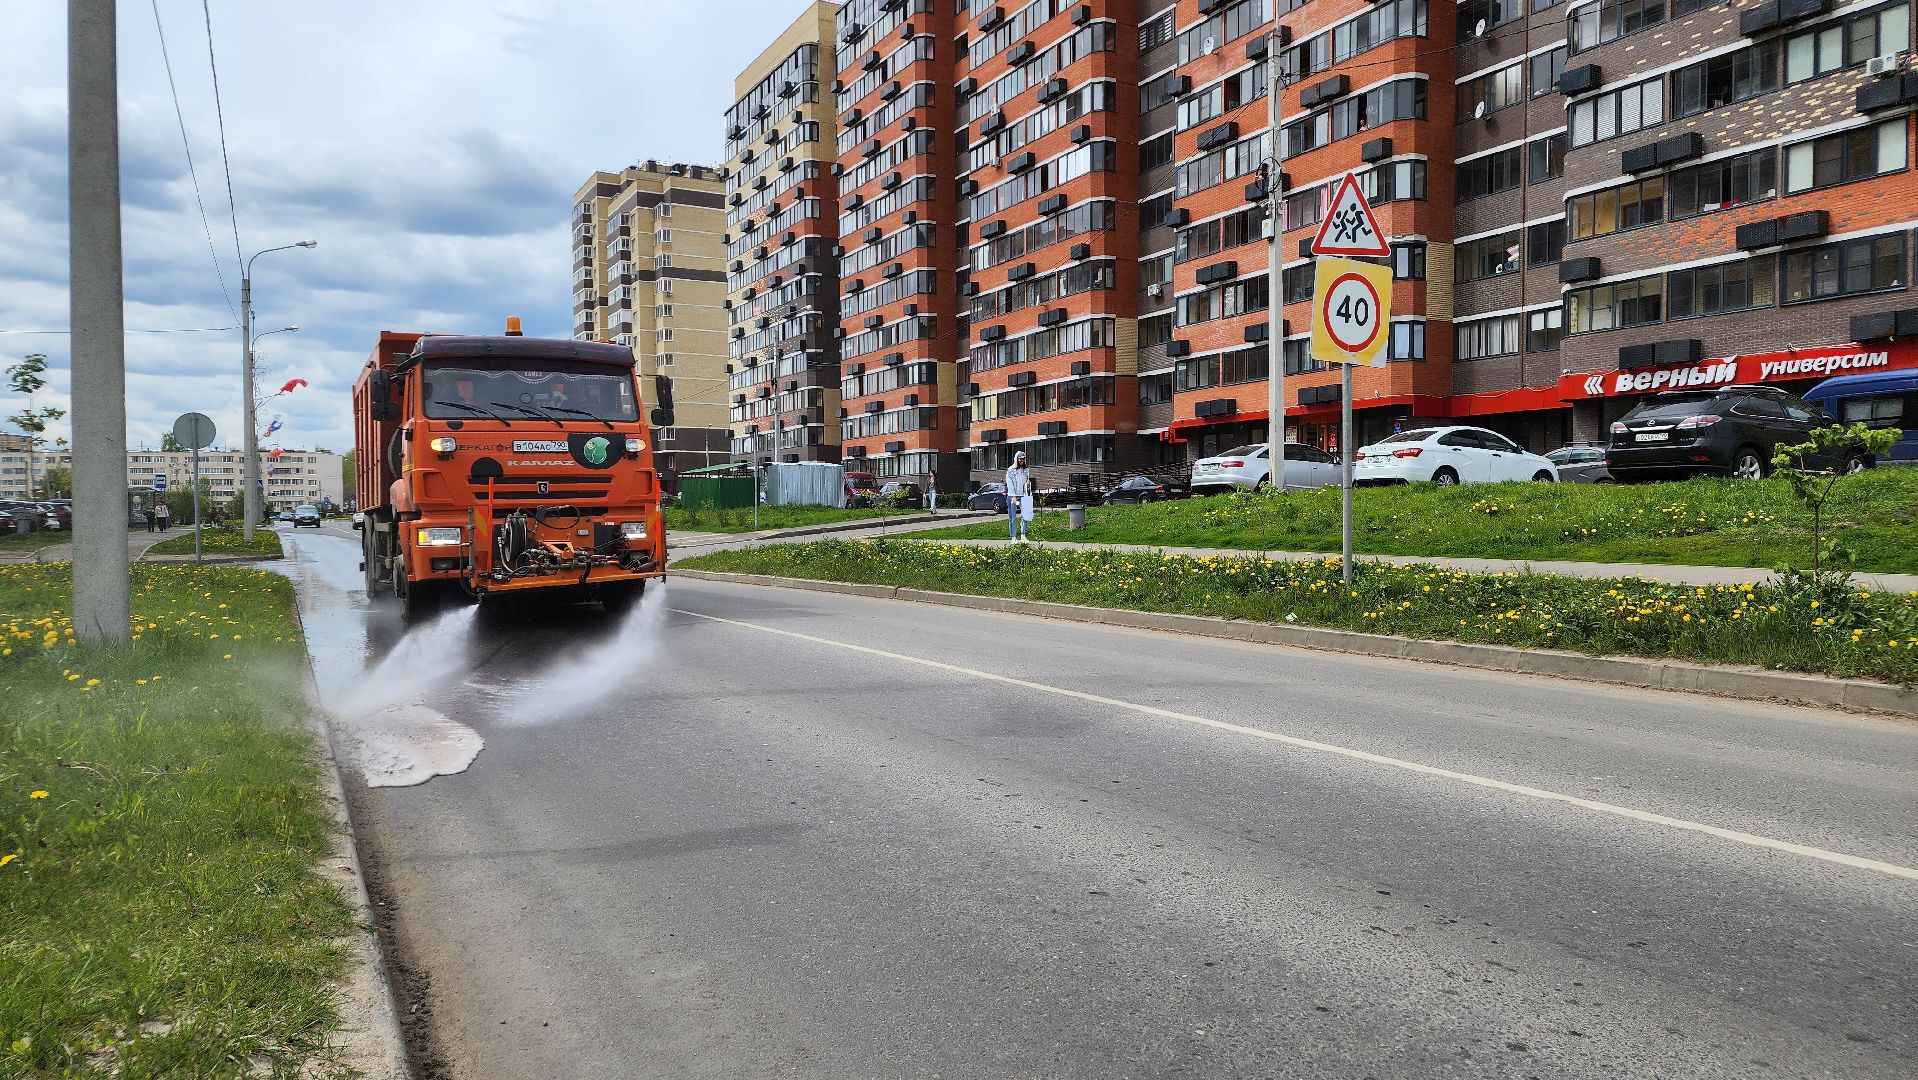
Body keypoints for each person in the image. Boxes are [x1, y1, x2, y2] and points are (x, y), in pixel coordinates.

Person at [1004, 450, 1032, 542]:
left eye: (1023, 459)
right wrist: (1013, 496)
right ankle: (1013, 538)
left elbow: (1027, 482)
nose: (1022, 461)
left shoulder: (1026, 470)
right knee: (1012, 517)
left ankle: (1023, 535)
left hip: (1023, 496)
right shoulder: (1010, 470)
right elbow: (1010, 484)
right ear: (1016, 459)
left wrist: (1028, 484)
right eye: (1020, 459)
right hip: (1013, 497)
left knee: (1026, 515)